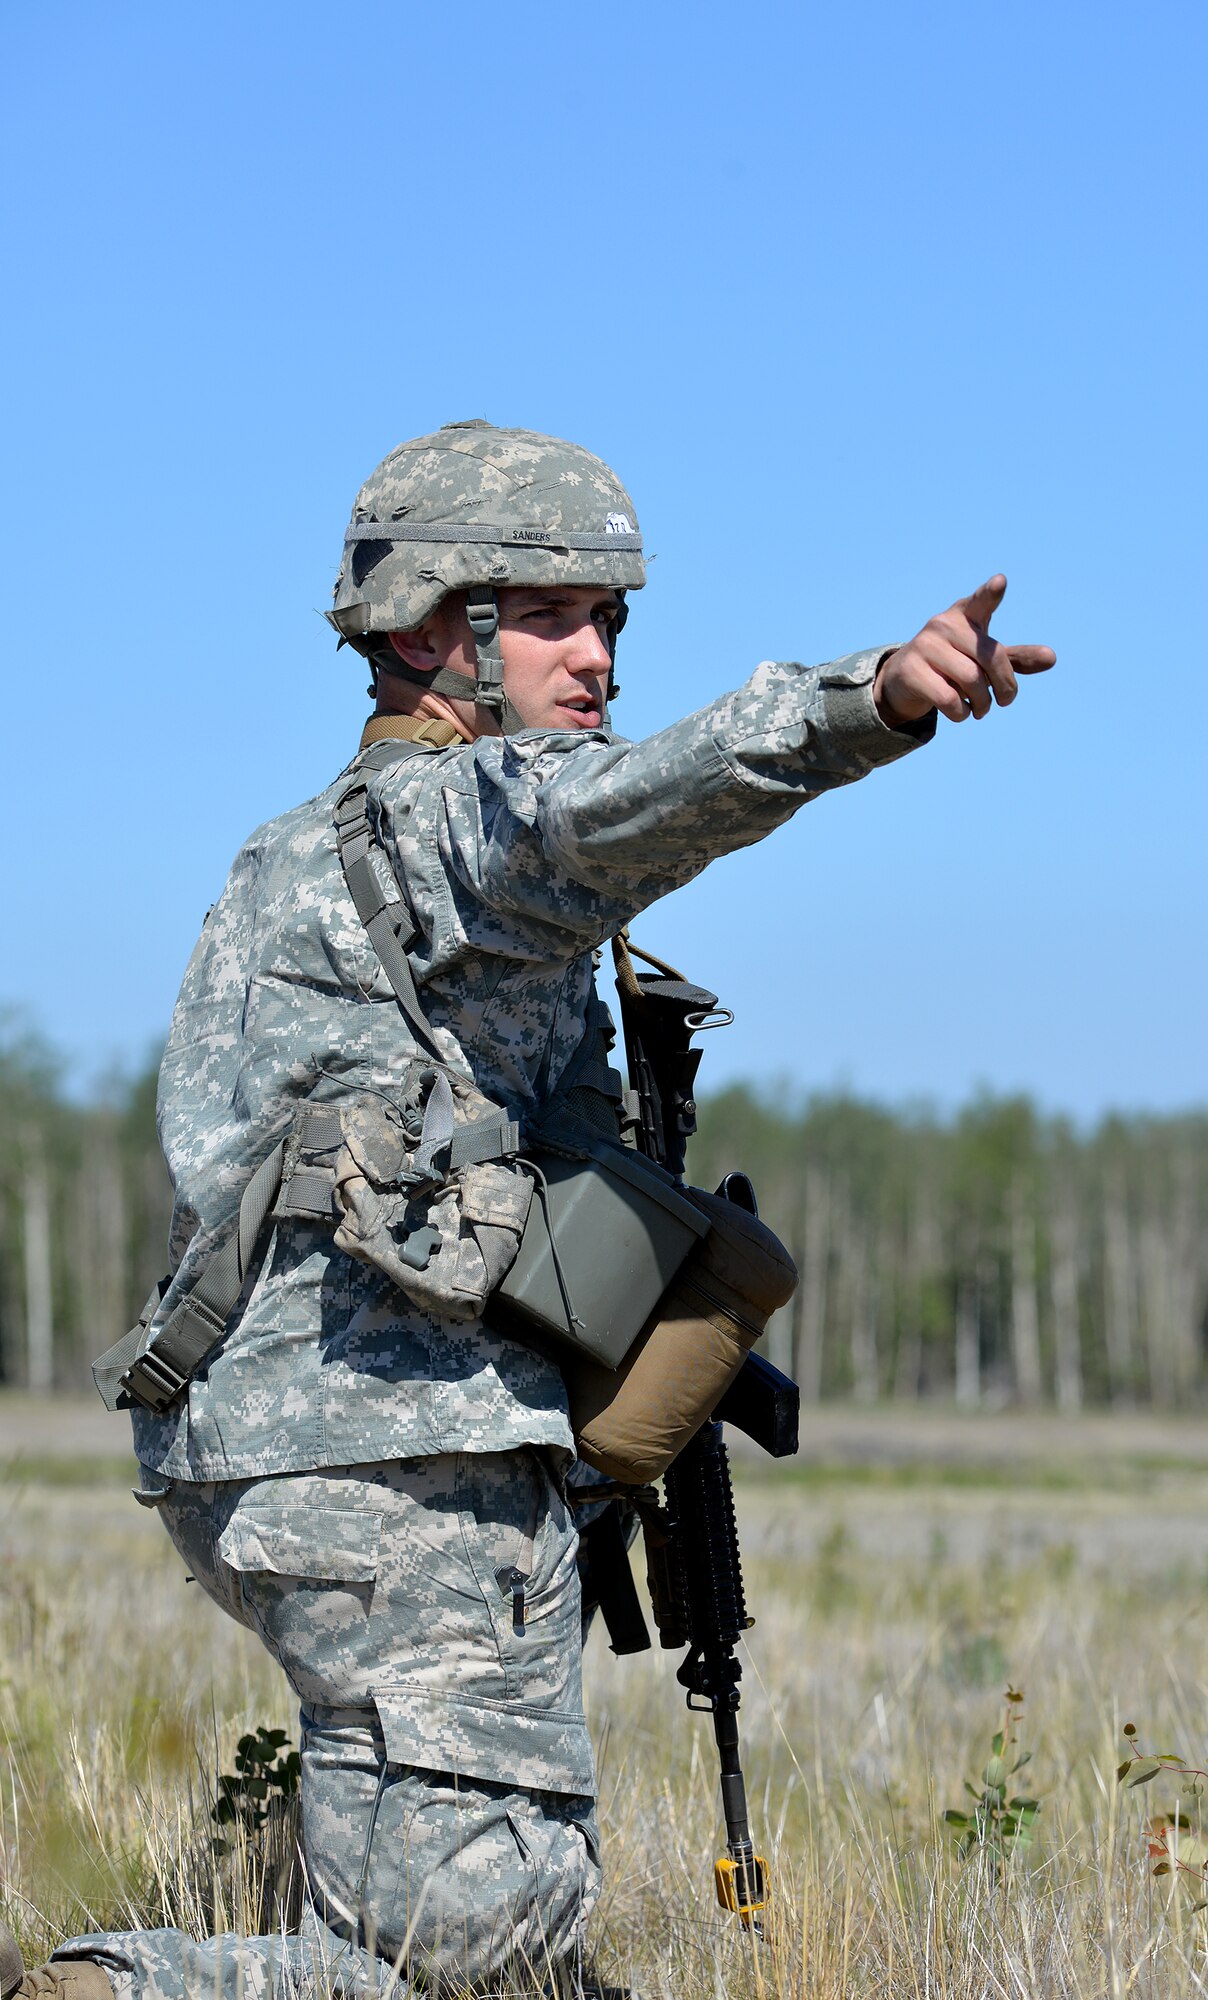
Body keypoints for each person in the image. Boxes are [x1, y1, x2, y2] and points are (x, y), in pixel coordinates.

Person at [1, 420, 1054, 2000]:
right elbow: (609, 809)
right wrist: (868, 704)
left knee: (467, 1937)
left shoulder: (314, 849)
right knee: (471, 1955)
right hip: (391, 1451)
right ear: (434, 628)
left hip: (331, 1442)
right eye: (557, 614)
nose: (602, 654)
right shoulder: (455, 827)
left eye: (615, 619)